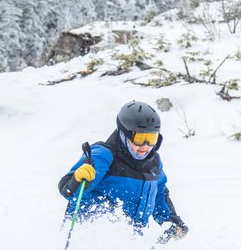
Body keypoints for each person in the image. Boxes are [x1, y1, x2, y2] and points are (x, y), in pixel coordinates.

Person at [57, 100, 189, 241]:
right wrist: (77, 180)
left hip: (129, 243)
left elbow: (159, 193)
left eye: (151, 139)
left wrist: (170, 220)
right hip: (90, 238)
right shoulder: (104, 155)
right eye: (140, 138)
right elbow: (67, 191)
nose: (145, 146)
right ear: (124, 134)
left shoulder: (154, 163)